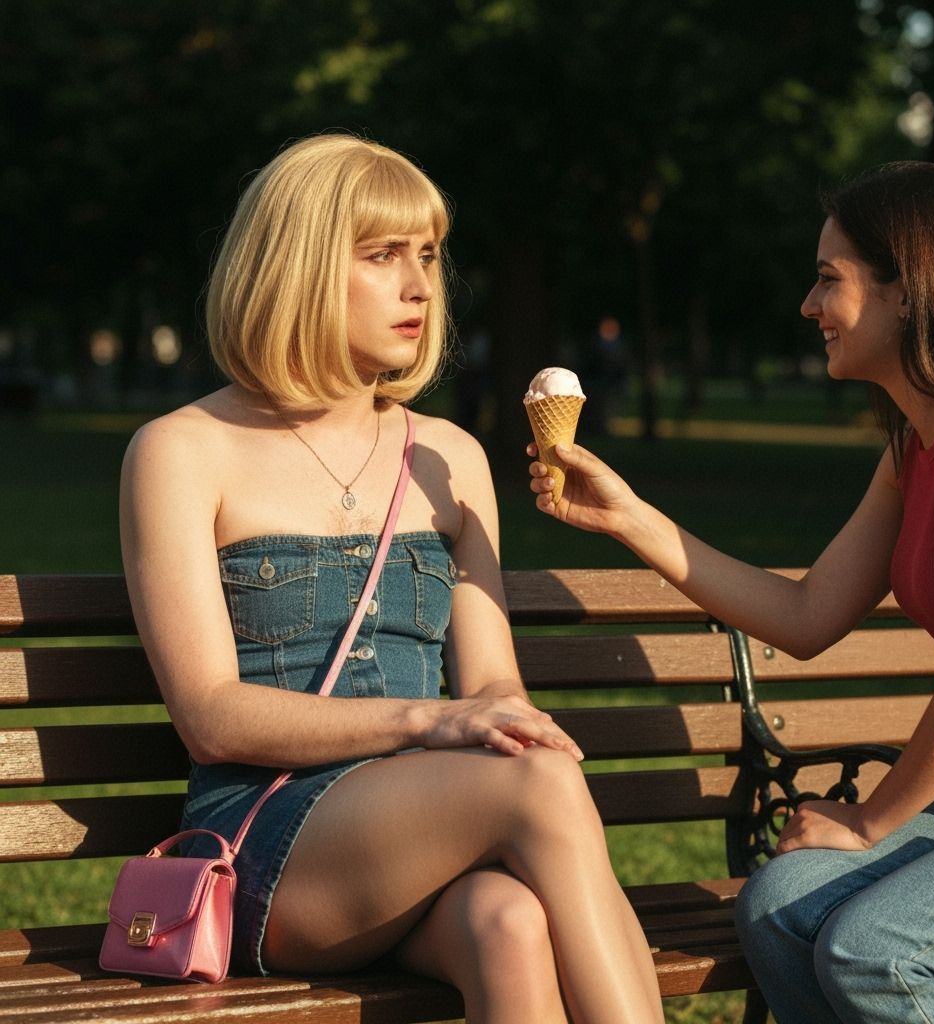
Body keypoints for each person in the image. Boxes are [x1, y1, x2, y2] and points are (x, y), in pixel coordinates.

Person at [119, 133, 664, 1024]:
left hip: (430, 834)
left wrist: (485, 718)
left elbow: (495, 685)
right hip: (274, 847)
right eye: (382, 256)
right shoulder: (183, 451)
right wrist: (431, 718)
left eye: (428, 256)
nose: (419, 285)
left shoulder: (448, 454)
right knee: (540, 784)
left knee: (508, 923)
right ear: (294, 268)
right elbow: (210, 715)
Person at [527, 161, 934, 1023]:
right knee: (781, 905)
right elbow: (805, 616)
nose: (807, 304)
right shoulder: (918, 446)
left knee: (877, 952)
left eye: (830, 279)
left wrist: (869, 824)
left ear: (909, 291)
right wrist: (631, 520)